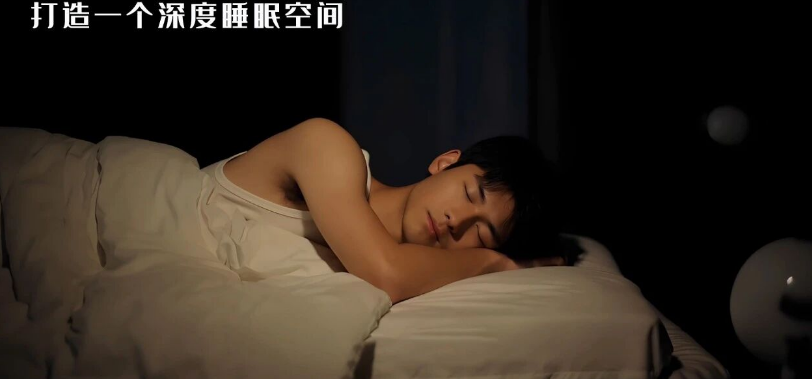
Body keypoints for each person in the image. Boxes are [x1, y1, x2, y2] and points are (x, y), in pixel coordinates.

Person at [216, 118, 565, 303]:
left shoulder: (421, 271)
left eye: (482, 233)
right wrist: (495, 262)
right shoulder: (327, 144)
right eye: (469, 194)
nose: (456, 221)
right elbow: (387, 274)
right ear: (445, 163)